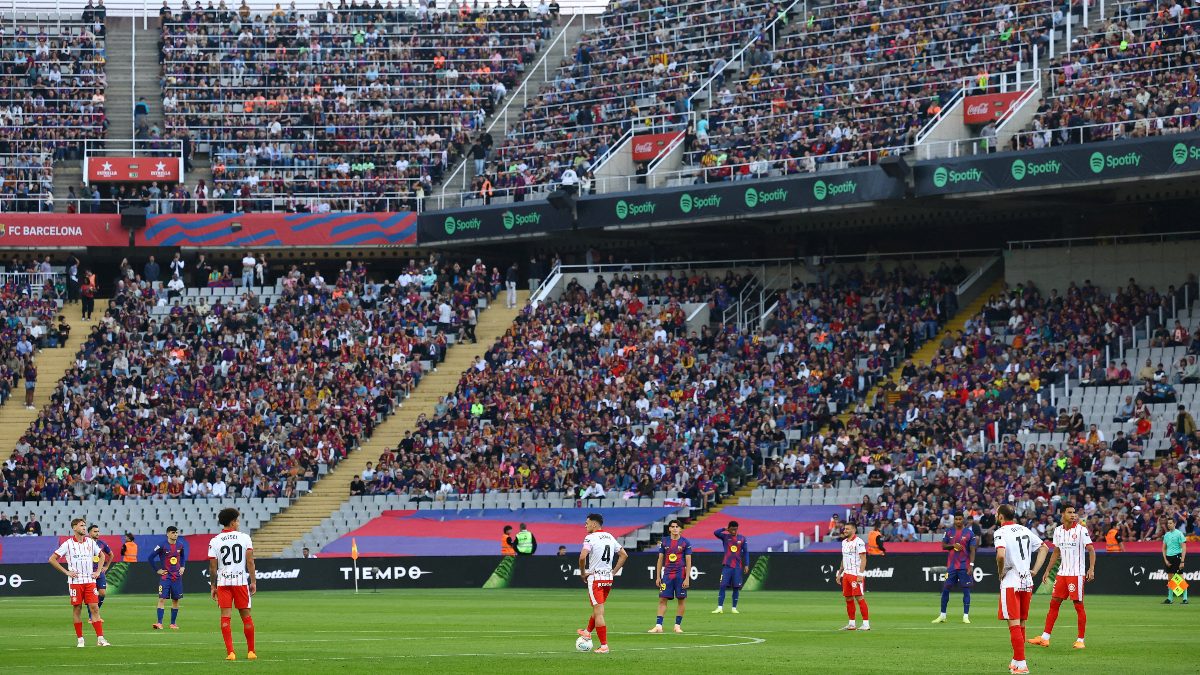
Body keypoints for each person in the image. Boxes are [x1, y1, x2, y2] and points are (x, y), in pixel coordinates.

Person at [1029, 504, 1096, 649]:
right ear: (1063, 515)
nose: (1073, 515)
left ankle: (1080, 640)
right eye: (1070, 512)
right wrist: (1047, 570)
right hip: (1062, 573)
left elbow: (1091, 550)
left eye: (1074, 512)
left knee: (1078, 605)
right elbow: (1056, 552)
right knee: (1054, 603)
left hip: (1076, 574)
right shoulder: (1058, 530)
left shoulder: (1081, 530)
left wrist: (1091, 569)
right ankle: (1045, 638)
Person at [995, 503, 1049, 675]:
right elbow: (1044, 547)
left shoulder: (1000, 532)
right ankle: (1016, 660)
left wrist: (1000, 572)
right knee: (1022, 622)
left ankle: (1022, 664)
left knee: (1013, 622)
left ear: (1001, 516)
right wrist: (1035, 570)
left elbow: (1001, 555)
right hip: (1027, 581)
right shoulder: (1024, 530)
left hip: (1011, 580)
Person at [48, 518, 111, 647]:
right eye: (81, 526)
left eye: (84, 525)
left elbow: (102, 556)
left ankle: (100, 639)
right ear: (74, 528)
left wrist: (98, 571)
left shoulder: (91, 543)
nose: (84, 528)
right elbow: (52, 559)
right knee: (77, 609)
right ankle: (80, 639)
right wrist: (67, 572)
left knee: (94, 608)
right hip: (75, 582)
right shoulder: (68, 544)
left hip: (90, 581)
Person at [208, 508, 257, 661]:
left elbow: (213, 567)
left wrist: (213, 586)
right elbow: (250, 561)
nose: (239, 522)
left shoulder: (214, 541)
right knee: (246, 616)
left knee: (225, 616)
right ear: (232, 522)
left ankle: (231, 653)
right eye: (237, 520)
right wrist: (253, 581)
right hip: (240, 582)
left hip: (223, 583)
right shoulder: (244, 538)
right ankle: (251, 652)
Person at [576, 513, 627, 654]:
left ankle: (604, 646)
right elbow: (624, 555)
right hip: (607, 579)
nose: (585, 525)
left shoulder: (590, 538)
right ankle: (587, 631)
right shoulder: (610, 536)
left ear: (594, 524)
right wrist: (613, 572)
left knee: (599, 612)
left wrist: (582, 572)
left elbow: (582, 557)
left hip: (595, 578)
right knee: (598, 609)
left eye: (587, 523)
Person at [649, 519, 692, 633]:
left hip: (680, 574)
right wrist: (658, 577)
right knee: (662, 599)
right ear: (669, 529)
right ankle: (658, 625)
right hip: (667, 574)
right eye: (672, 526)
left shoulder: (685, 543)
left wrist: (687, 578)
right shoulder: (664, 541)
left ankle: (677, 625)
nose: (675, 528)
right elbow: (660, 559)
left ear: (681, 529)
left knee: (681, 600)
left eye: (677, 526)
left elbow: (688, 562)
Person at [933, 512, 976, 624]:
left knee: (966, 591)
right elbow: (943, 546)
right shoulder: (949, 532)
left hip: (964, 566)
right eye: (956, 519)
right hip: (951, 567)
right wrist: (953, 545)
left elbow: (972, 550)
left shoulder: (969, 533)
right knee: (945, 589)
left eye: (960, 519)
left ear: (963, 520)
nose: (958, 521)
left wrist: (971, 565)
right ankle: (942, 615)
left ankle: (965, 616)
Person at [149, 525, 187, 630]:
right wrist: (157, 570)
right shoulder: (162, 545)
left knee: (175, 600)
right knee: (162, 598)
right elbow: (150, 557)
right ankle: (159, 623)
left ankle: (173, 623)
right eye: (173, 532)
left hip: (177, 577)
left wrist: (183, 566)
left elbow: (183, 556)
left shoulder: (180, 545)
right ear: (168, 534)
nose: (175, 534)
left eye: (176, 532)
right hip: (166, 577)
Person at [837, 522, 870, 631]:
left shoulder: (859, 542)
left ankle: (866, 624)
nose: (845, 530)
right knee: (848, 598)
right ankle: (852, 624)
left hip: (855, 574)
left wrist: (860, 574)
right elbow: (844, 558)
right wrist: (840, 572)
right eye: (844, 529)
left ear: (854, 530)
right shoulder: (844, 542)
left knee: (859, 598)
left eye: (847, 529)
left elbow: (863, 559)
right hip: (846, 574)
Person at [712, 520, 749, 613]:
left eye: (735, 529)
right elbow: (715, 532)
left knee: (736, 587)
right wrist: (724, 529)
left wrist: (747, 564)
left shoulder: (742, 538)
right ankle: (720, 608)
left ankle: (734, 608)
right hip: (727, 566)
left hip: (737, 567)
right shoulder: (725, 537)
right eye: (732, 529)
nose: (734, 531)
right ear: (729, 529)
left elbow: (746, 552)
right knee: (722, 586)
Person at [85, 524, 112, 623]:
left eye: (98, 531)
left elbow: (111, 555)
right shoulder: (85, 543)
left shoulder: (102, 544)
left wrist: (106, 566)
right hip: (88, 573)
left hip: (99, 572)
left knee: (102, 593)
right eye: (95, 531)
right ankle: (91, 616)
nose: (97, 533)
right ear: (89, 533)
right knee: (90, 595)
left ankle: (95, 614)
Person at [1162, 515, 1188, 605]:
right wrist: (1165, 560)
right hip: (1169, 558)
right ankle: (1170, 598)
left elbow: (1184, 548)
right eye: (1168, 523)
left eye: (1170, 523)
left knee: (1179, 578)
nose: (1169, 525)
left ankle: (1185, 598)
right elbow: (1164, 548)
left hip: (1177, 557)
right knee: (1170, 578)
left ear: (1175, 524)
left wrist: (1182, 561)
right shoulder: (1166, 535)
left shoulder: (1179, 533)